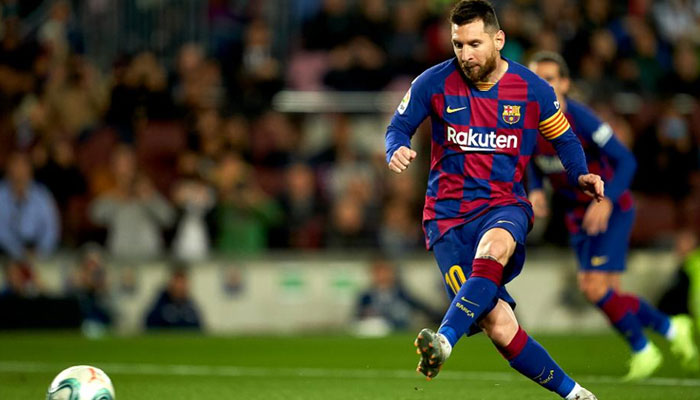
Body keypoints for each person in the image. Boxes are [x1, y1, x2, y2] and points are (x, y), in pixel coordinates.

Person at [384, 2, 604, 399]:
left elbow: (566, 139)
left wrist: (580, 174)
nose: (465, 54)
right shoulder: (433, 83)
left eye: (475, 44)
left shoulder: (532, 89)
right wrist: (395, 148)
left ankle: (444, 342)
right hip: (447, 220)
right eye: (458, 44)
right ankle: (576, 395)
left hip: (503, 205)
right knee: (499, 326)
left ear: (498, 39)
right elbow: (398, 126)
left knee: (495, 247)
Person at [527, 51, 699, 380]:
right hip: (578, 215)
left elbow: (626, 160)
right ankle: (671, 328)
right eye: (536, 80)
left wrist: (606, 201)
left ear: (565, 83)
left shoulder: (583, 119)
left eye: (549, 79)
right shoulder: (528, 122)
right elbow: (534, 161)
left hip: (610, 209)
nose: (542, 86)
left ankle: (643, 349)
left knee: (593, 288)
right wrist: (535, 190)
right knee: (607, 293)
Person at [0, 152, 60, 260]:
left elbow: (51, 228)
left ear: (30, 170)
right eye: (16, 166)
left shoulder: (42, 194)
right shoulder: (1, 194)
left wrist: (41, 251)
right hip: (7, 252)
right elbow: (2, 231)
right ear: (8, 169)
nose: (19, 171)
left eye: (23, 166)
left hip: (38, 251)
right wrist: (19, 252)